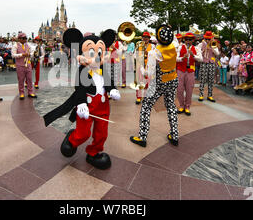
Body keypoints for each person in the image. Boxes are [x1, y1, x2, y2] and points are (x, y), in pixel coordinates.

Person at [43, 29, 120, 170]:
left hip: (103, 106)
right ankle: (72, 139)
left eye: (99, 52)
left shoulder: (103, 69)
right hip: (87, 106)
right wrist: (81, 103)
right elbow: (79, 90)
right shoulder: (82, 71)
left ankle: (93, 152)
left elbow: (108, 82)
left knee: (102, 133)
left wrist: (112, 90)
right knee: (84, 134)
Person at [130, 25, 179, 147]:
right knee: (171, 105)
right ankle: (174, 135)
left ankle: (142, 137)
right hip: (172, 79)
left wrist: (141, 67)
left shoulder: (154, 53)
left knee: (146, 107)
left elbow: (148, 74)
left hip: (159, 82)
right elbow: (174, 39)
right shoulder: (175, 45)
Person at [176, 32, 202, 116]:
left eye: (190, 39)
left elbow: (201, 59)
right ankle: (181, 105)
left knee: (189, 89)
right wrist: (182, 58)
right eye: (186, 39)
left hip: (190, 70)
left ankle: (187, 107)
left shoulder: (196, 48)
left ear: (193, 40)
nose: (188, 41)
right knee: (179, 89)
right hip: (180, 70)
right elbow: (175, 59)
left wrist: (193, 55)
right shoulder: (180, 47)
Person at [197, 31, 220, 102]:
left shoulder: (213, 44)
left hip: (211, 63)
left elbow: (217, 53)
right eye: (206, 39)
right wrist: (203, 50)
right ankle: (201, 95)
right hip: (204, 62)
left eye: (209, 39)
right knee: (202, 79)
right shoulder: (201, 44)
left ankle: (210, 95)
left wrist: (212, 48)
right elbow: (198, 53)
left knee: (211, 80)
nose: (207, 40)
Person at [12, 32, 36, 99]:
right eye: (23, 38)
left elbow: (32, 52)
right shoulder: (15, 45)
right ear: (19, 39)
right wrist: (22, 55)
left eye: (26, 38)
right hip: (20, 65)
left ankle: (30, 92)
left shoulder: (28, 45)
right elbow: (13, 55)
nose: (25, 39)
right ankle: (21, 93)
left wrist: (30, 54)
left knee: (29, 79)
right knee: (21, 80)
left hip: (28, 64)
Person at [135, 32, 154, 104]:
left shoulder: (152, 46)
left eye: (147, 37)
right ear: (142, 38)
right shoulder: (138, 45)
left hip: (149, 66)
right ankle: (139, 97)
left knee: (148, 83)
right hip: (140, 65)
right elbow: (134, 55)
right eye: (144, 37)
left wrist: (148, 54)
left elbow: (155, 55)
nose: (145, 38)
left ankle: (146, 97)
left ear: (149, 38)